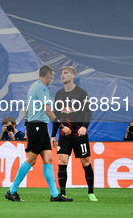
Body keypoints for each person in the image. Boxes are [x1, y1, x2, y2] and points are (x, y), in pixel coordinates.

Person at [5, 65, 73, 202]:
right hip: (37, 126)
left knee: (48, 159)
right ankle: (11, 191)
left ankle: (55, 195)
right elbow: (47, 110)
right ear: (47, 75)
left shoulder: (33, 87)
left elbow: (27, 107)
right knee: (31, 159)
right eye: (51, 77)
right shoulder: (41, 88)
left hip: (38, 126)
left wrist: (26, 125)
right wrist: (62, 126)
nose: (51, 79)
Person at [50, 66, 96, 201]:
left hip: (79, 134)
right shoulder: (59, 94)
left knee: (86, 163)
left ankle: (91, 192)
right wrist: (53, 135)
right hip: (64, 135)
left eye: (65, 73)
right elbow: (56, 116)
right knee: (61, 161)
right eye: (61, 73)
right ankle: (62, 193)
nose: (62, 75)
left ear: (72, 76)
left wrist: (84, 127)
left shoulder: (81, 93)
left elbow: (89, 112)